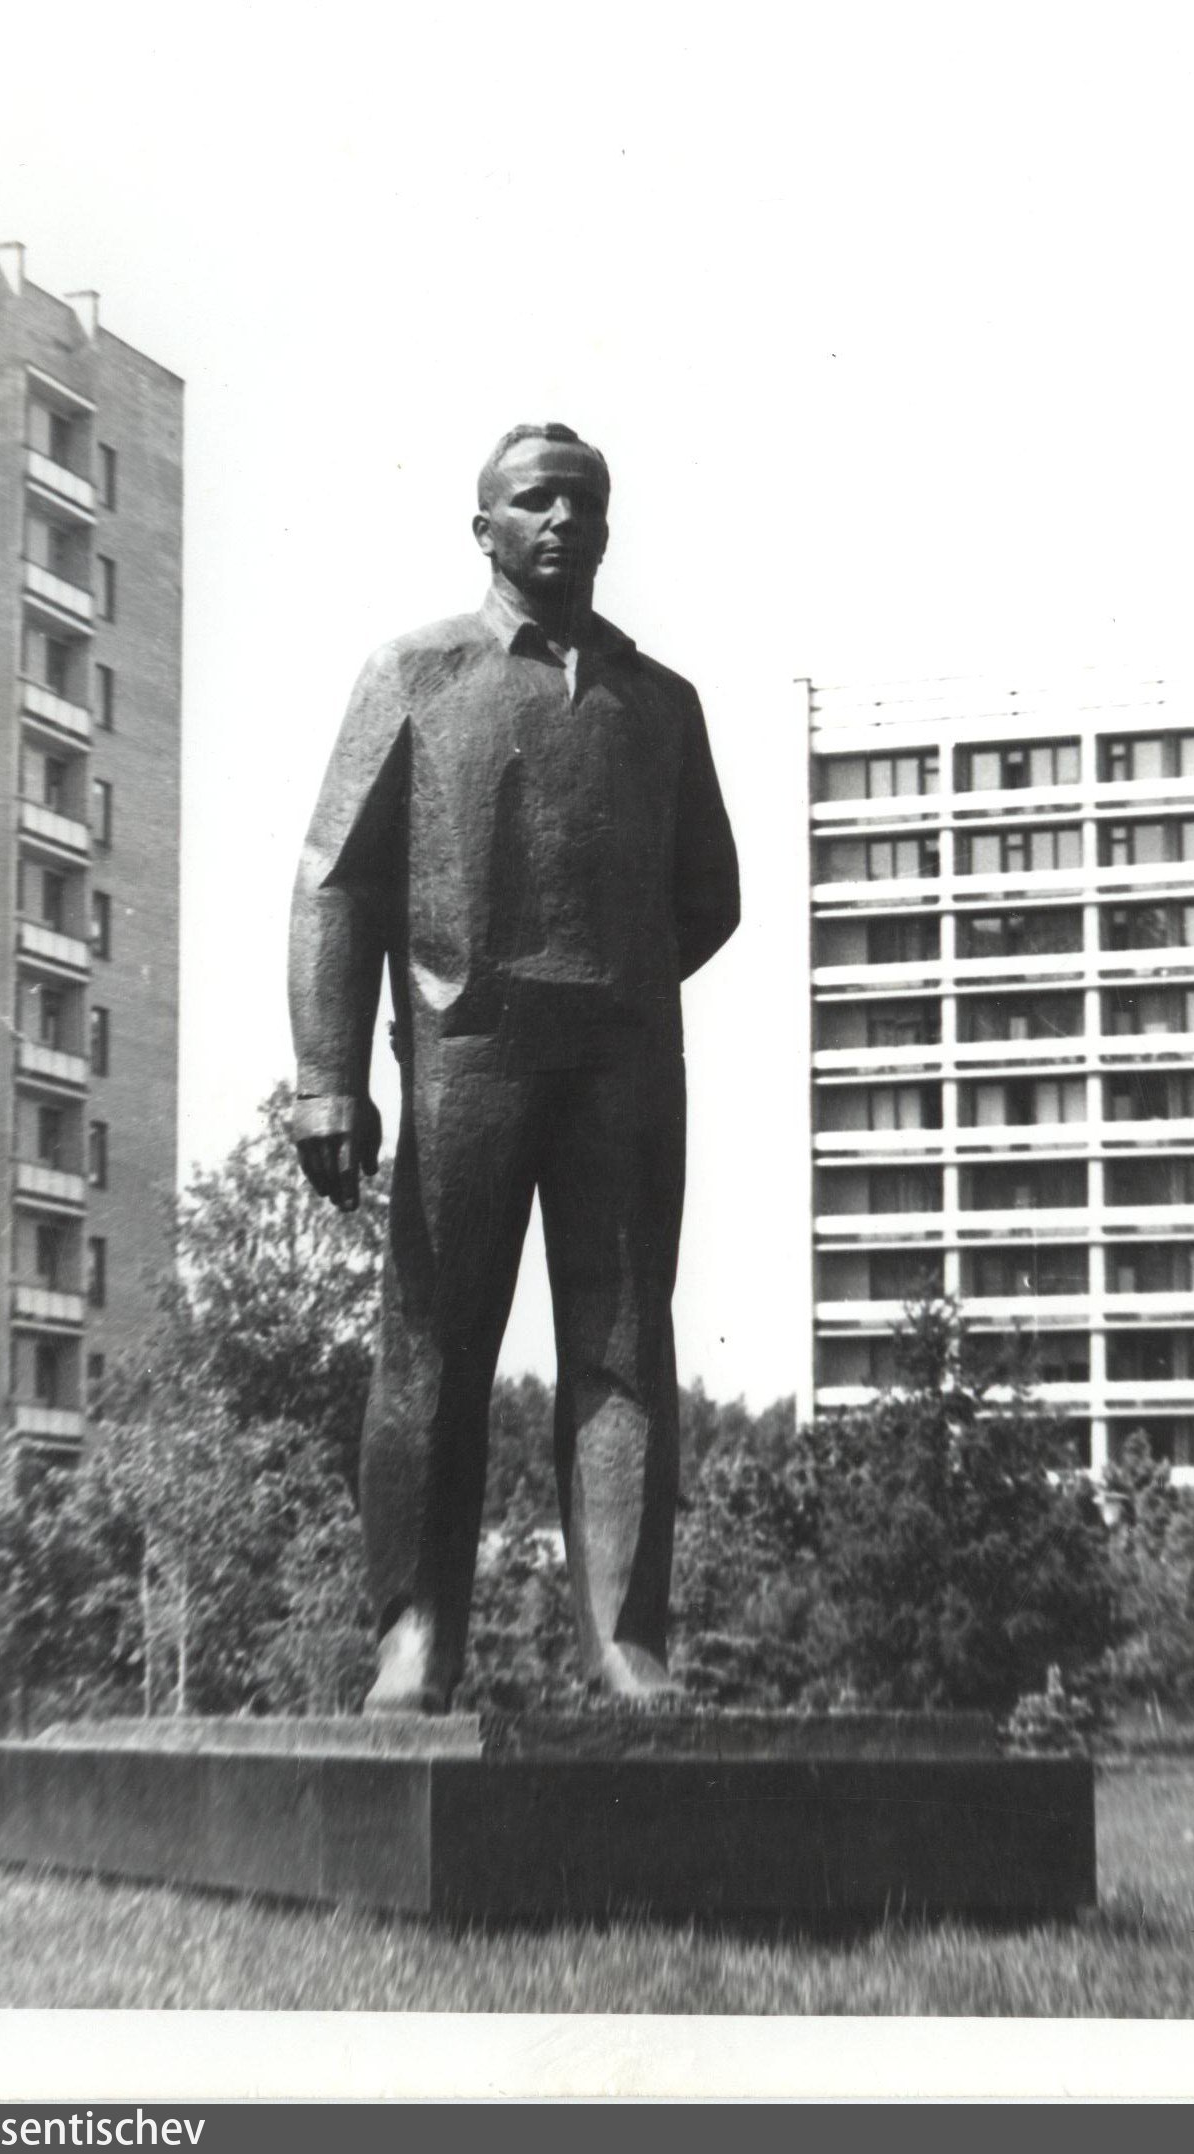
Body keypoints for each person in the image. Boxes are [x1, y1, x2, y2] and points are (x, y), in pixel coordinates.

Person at [288, 422, 739, 1713]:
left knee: (620, 1348)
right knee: (432, 1346)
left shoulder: (661, 705)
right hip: (468, 1055)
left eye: (584, 502)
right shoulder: (416, 673)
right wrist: (331, 1070)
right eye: (535, 501)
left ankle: (624, 1640)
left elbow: (708, 896)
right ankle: (415, 1636)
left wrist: (612, 983)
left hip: (621, 1063)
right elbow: (333, 880)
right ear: (481, 526)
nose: (563, 521)